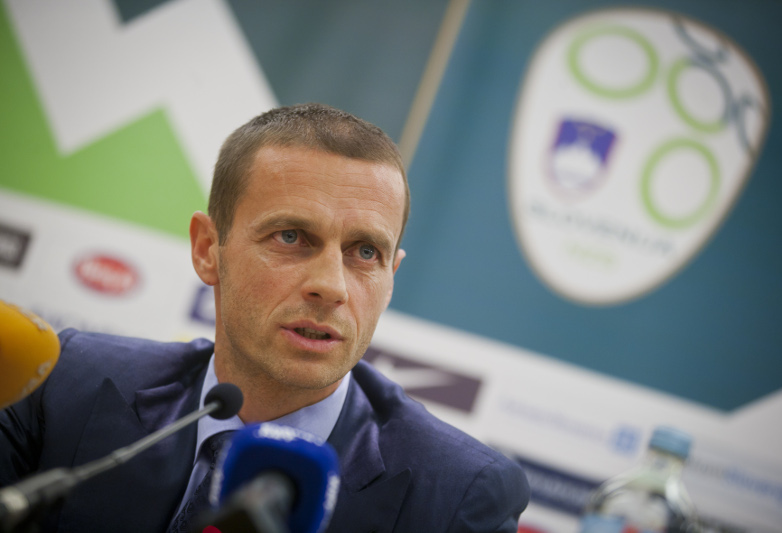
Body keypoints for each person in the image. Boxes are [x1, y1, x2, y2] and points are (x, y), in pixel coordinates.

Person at [0, 103, 529, 532]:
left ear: (392, 275)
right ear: (209, 249)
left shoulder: (457, 498)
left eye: (365, 252)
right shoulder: (62, 382)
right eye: (292, 237)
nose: (332, 285)